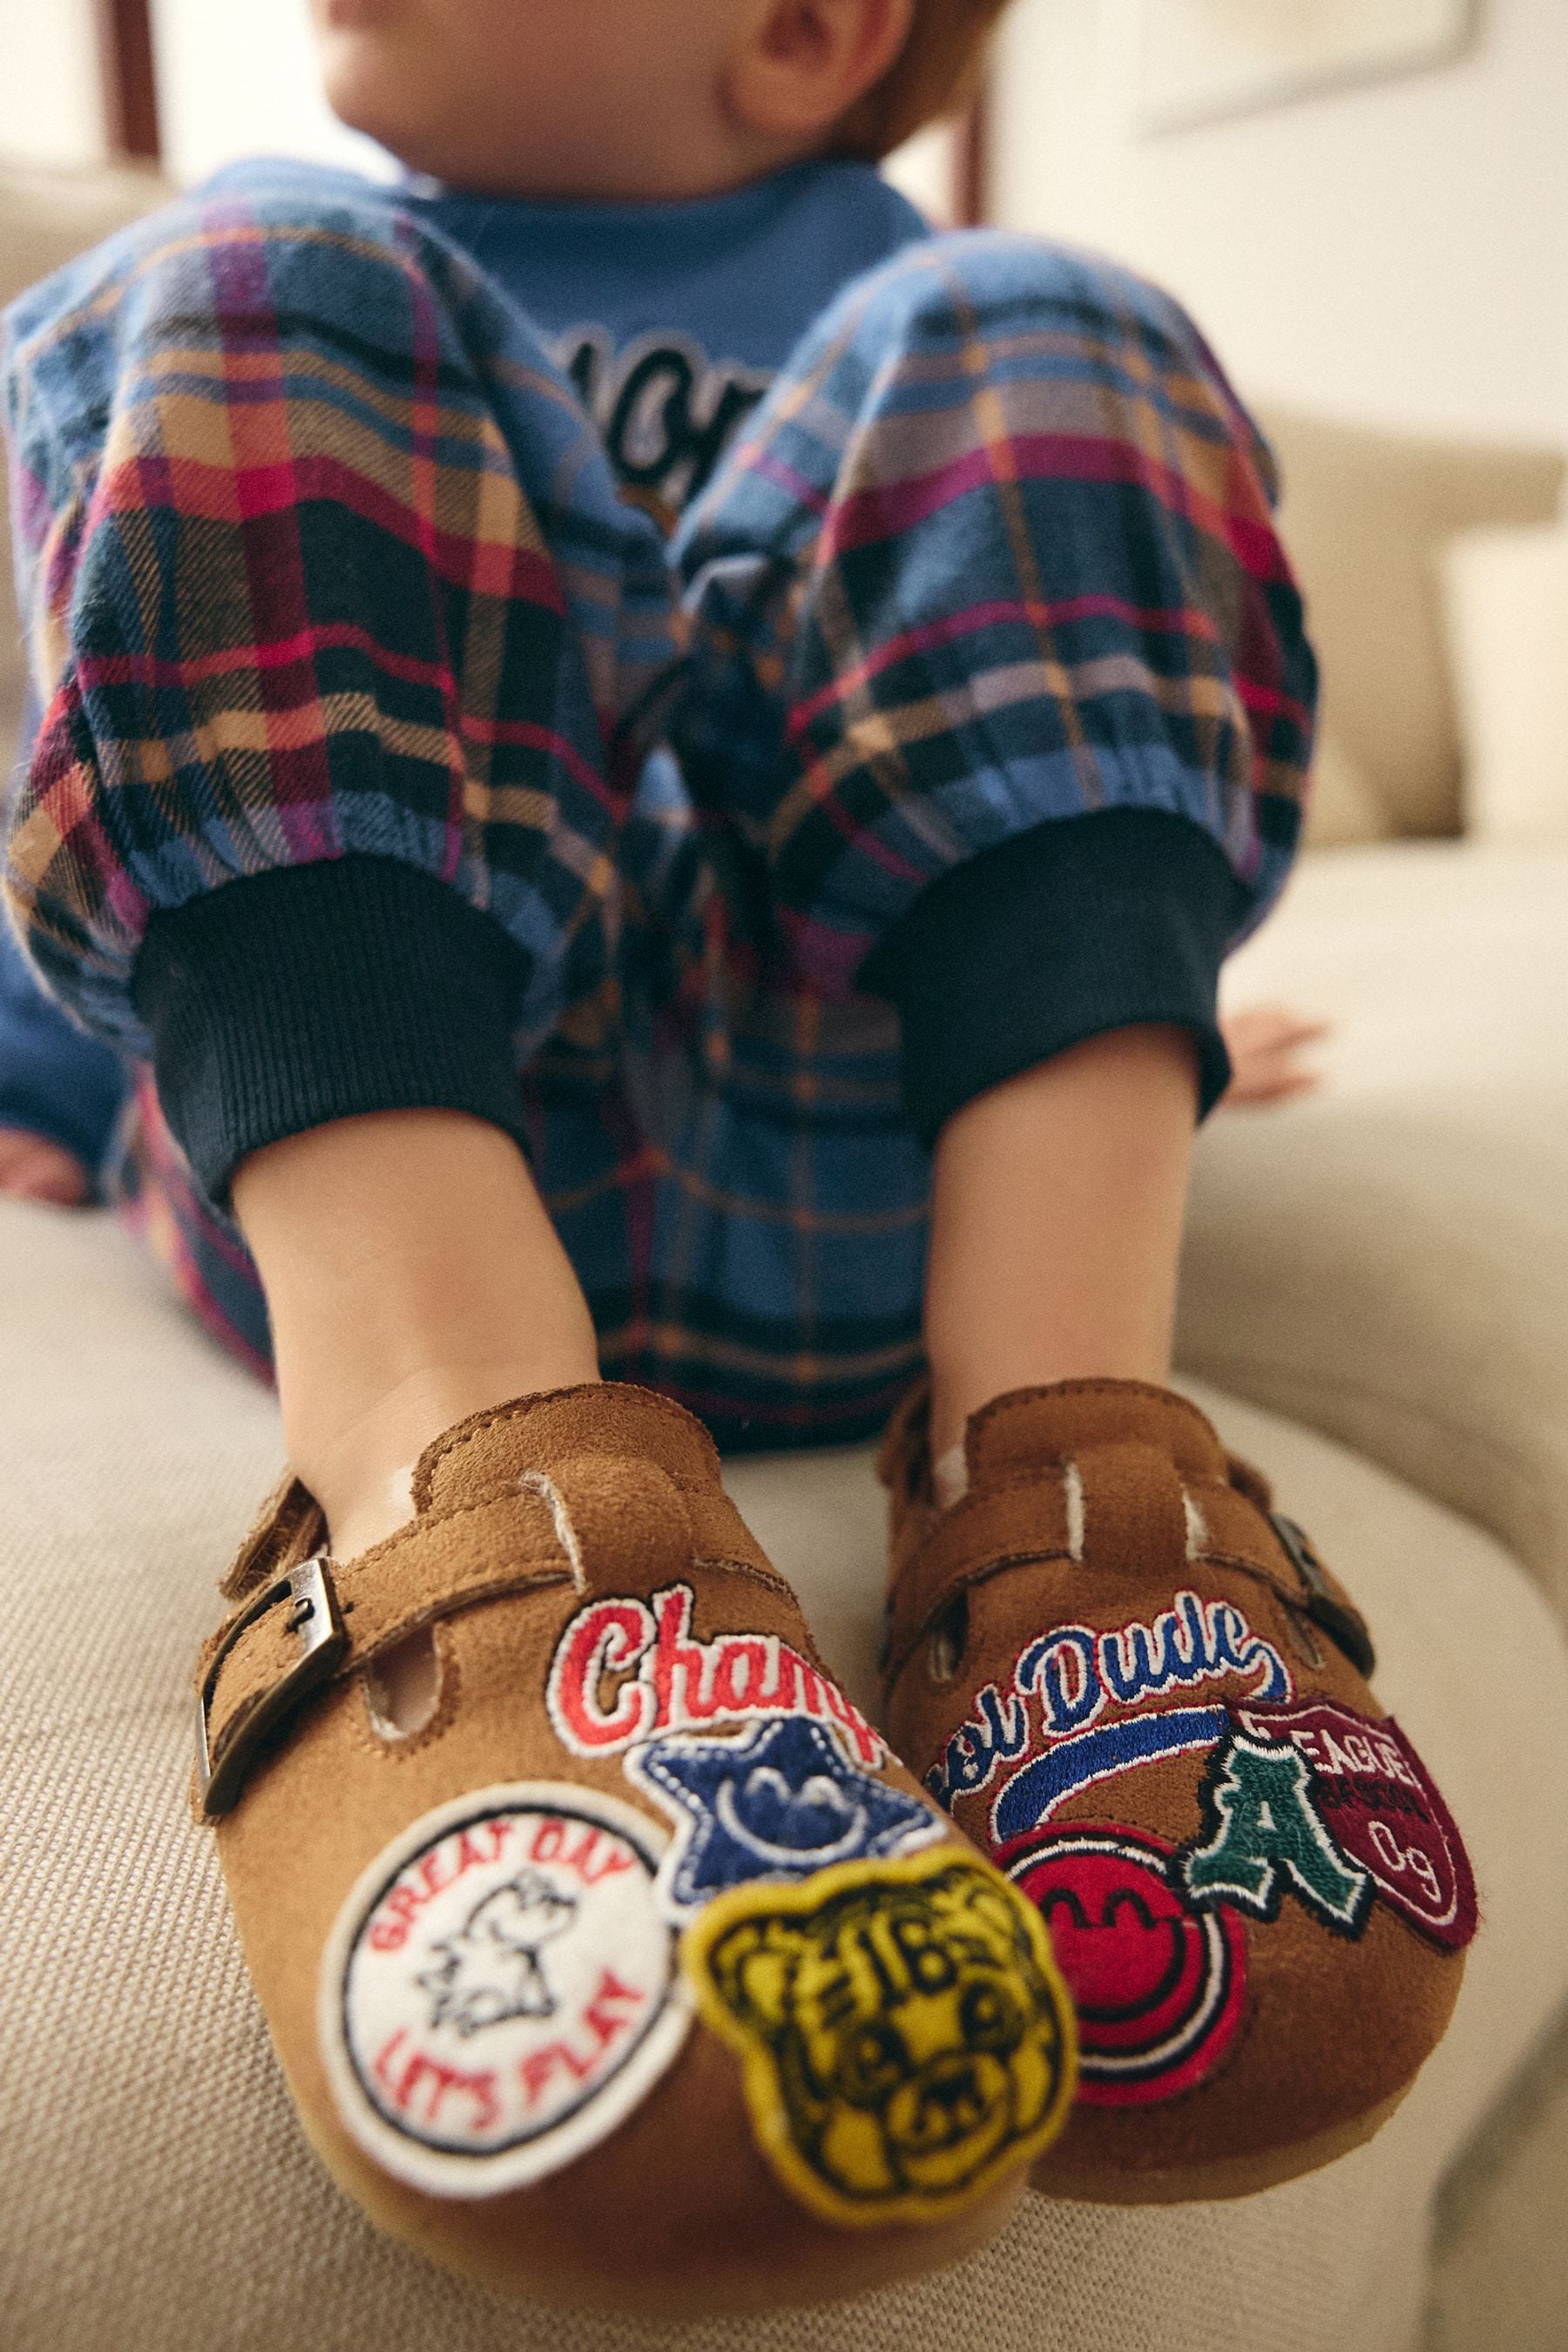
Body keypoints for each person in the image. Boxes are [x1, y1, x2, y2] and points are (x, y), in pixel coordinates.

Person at [0, 0, 1475, 2315]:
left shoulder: (912, 320)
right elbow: (160, 751)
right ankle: (427, 1446)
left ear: (801, 32)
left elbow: (1078, 697)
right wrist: (53, 1074)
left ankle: (1061, 1455)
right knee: (236, 285)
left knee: (1044, 333)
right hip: (427, 1130)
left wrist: (1092, 979)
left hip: (866, 1174)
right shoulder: (284, 286)